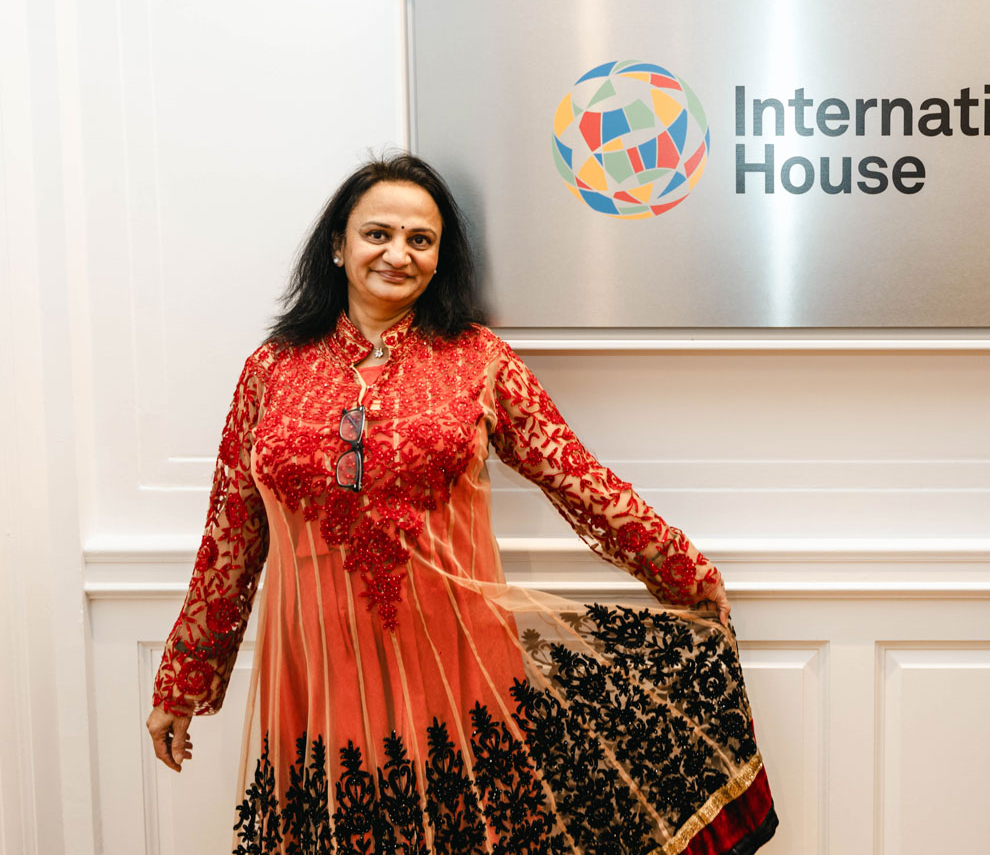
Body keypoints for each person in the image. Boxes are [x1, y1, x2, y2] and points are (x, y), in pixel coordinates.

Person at [146, 155, 777, 855]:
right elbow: (231, 534)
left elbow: (577, 478)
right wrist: (182, 681)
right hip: (316, 668)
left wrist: (684, 570)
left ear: (440, 257)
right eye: (378, 233)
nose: (398, 254)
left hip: (455, 658)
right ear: (338, 246)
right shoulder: (272, 369)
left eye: (420, 239)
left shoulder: (479, 360)